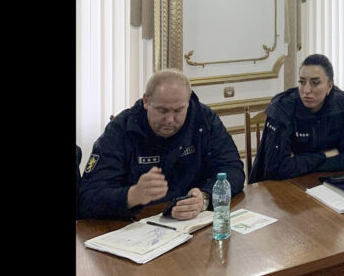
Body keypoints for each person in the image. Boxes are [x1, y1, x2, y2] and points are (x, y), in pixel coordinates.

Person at [78, 68, 245, 220]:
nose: (170, 120)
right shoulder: (120, 129)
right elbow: (87, 198)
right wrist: (132, 195)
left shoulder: (203, 118)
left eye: (178, 110)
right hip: (135, 226)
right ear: (146, 101)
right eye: (162, 110)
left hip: (192, 223)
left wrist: (205, 197)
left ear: (188, 103)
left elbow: (232, 168)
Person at [248, 53, 344, 182]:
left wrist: (300, 161)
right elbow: (276, 168)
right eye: (302, 82)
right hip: (280, 186)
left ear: (329, 87)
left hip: (326, 181)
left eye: (315, 83)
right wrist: (325, 155)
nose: (306, 90)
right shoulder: (282, 107)